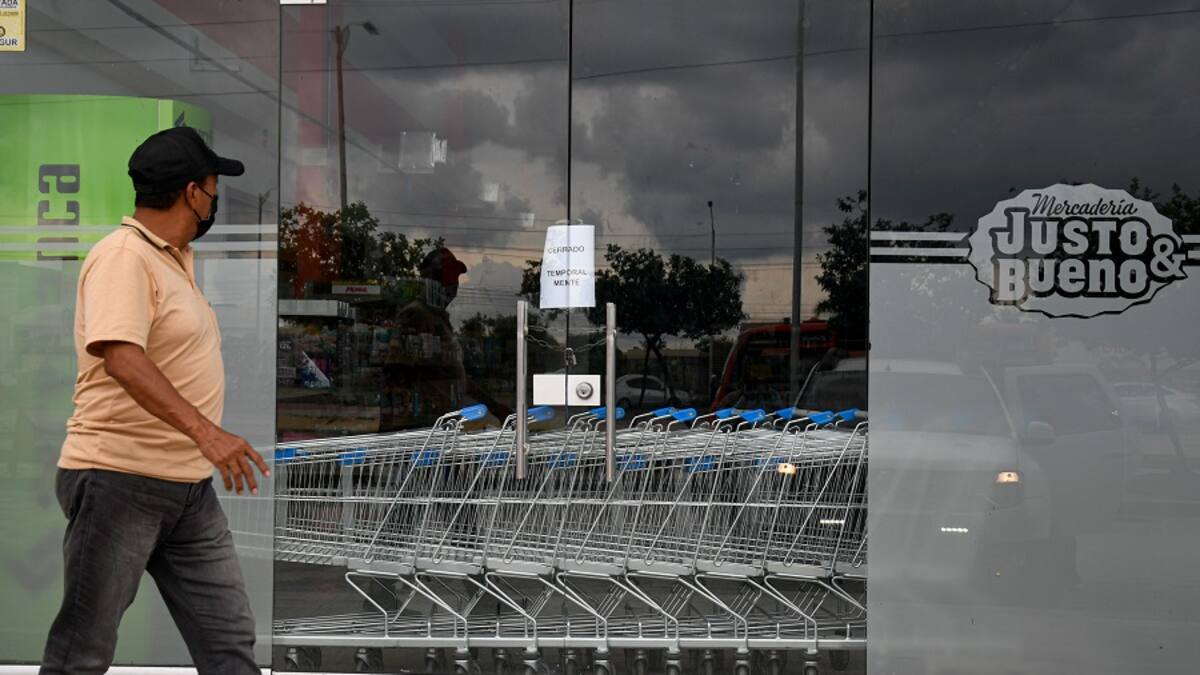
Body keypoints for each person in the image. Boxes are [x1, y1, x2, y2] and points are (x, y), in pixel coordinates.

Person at [40, 126, 269, 675]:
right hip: (119, 480)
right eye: (213, 188)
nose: (215, 201)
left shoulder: (172, 259)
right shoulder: (124, 257)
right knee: (82, 652)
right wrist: (208, 433)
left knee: (229, 643)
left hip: (187, 487)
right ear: (192, 193)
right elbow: (121, 357)